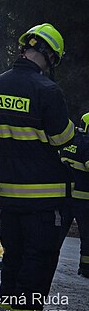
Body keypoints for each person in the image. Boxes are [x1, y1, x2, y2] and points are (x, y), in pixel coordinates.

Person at [0, 23, 74, 311]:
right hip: (44, 197)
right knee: (39, 259)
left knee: (14, 257)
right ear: (49, 54)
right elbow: (63, 139)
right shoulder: (47, 91)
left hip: (9, 194)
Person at [60, 112, 89, 278]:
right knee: (87, 236)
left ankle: (45, 262)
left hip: (63, 197)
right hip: (84, 199)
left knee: (56, 234)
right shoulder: (87, 143)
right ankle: (86, 268)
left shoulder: (68, 141)